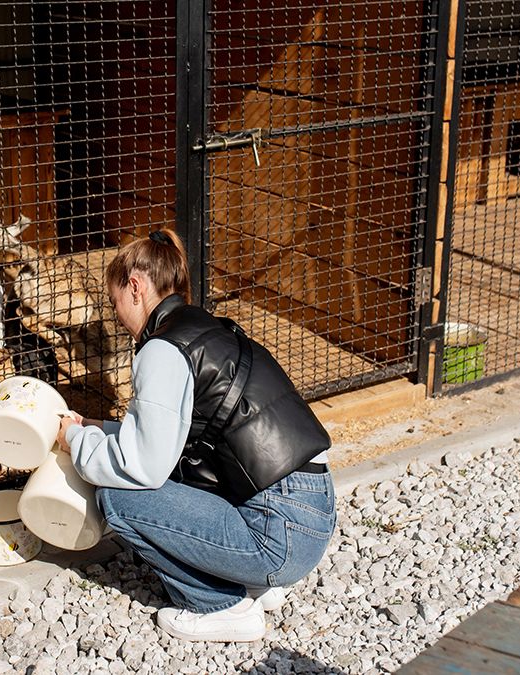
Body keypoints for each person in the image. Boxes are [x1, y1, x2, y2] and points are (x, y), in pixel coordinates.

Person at [56, 229, 336, 643]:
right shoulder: (208, 328)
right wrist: (99, 429)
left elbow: (142, 468)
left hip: (279, 533)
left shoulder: (162, 350)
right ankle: (255, 581)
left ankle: (222, 606)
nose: (116, 316)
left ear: (136, 287)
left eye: (115, 302)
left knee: (118, 497)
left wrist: (74, 442)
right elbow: (173, 437)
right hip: (311, 512)